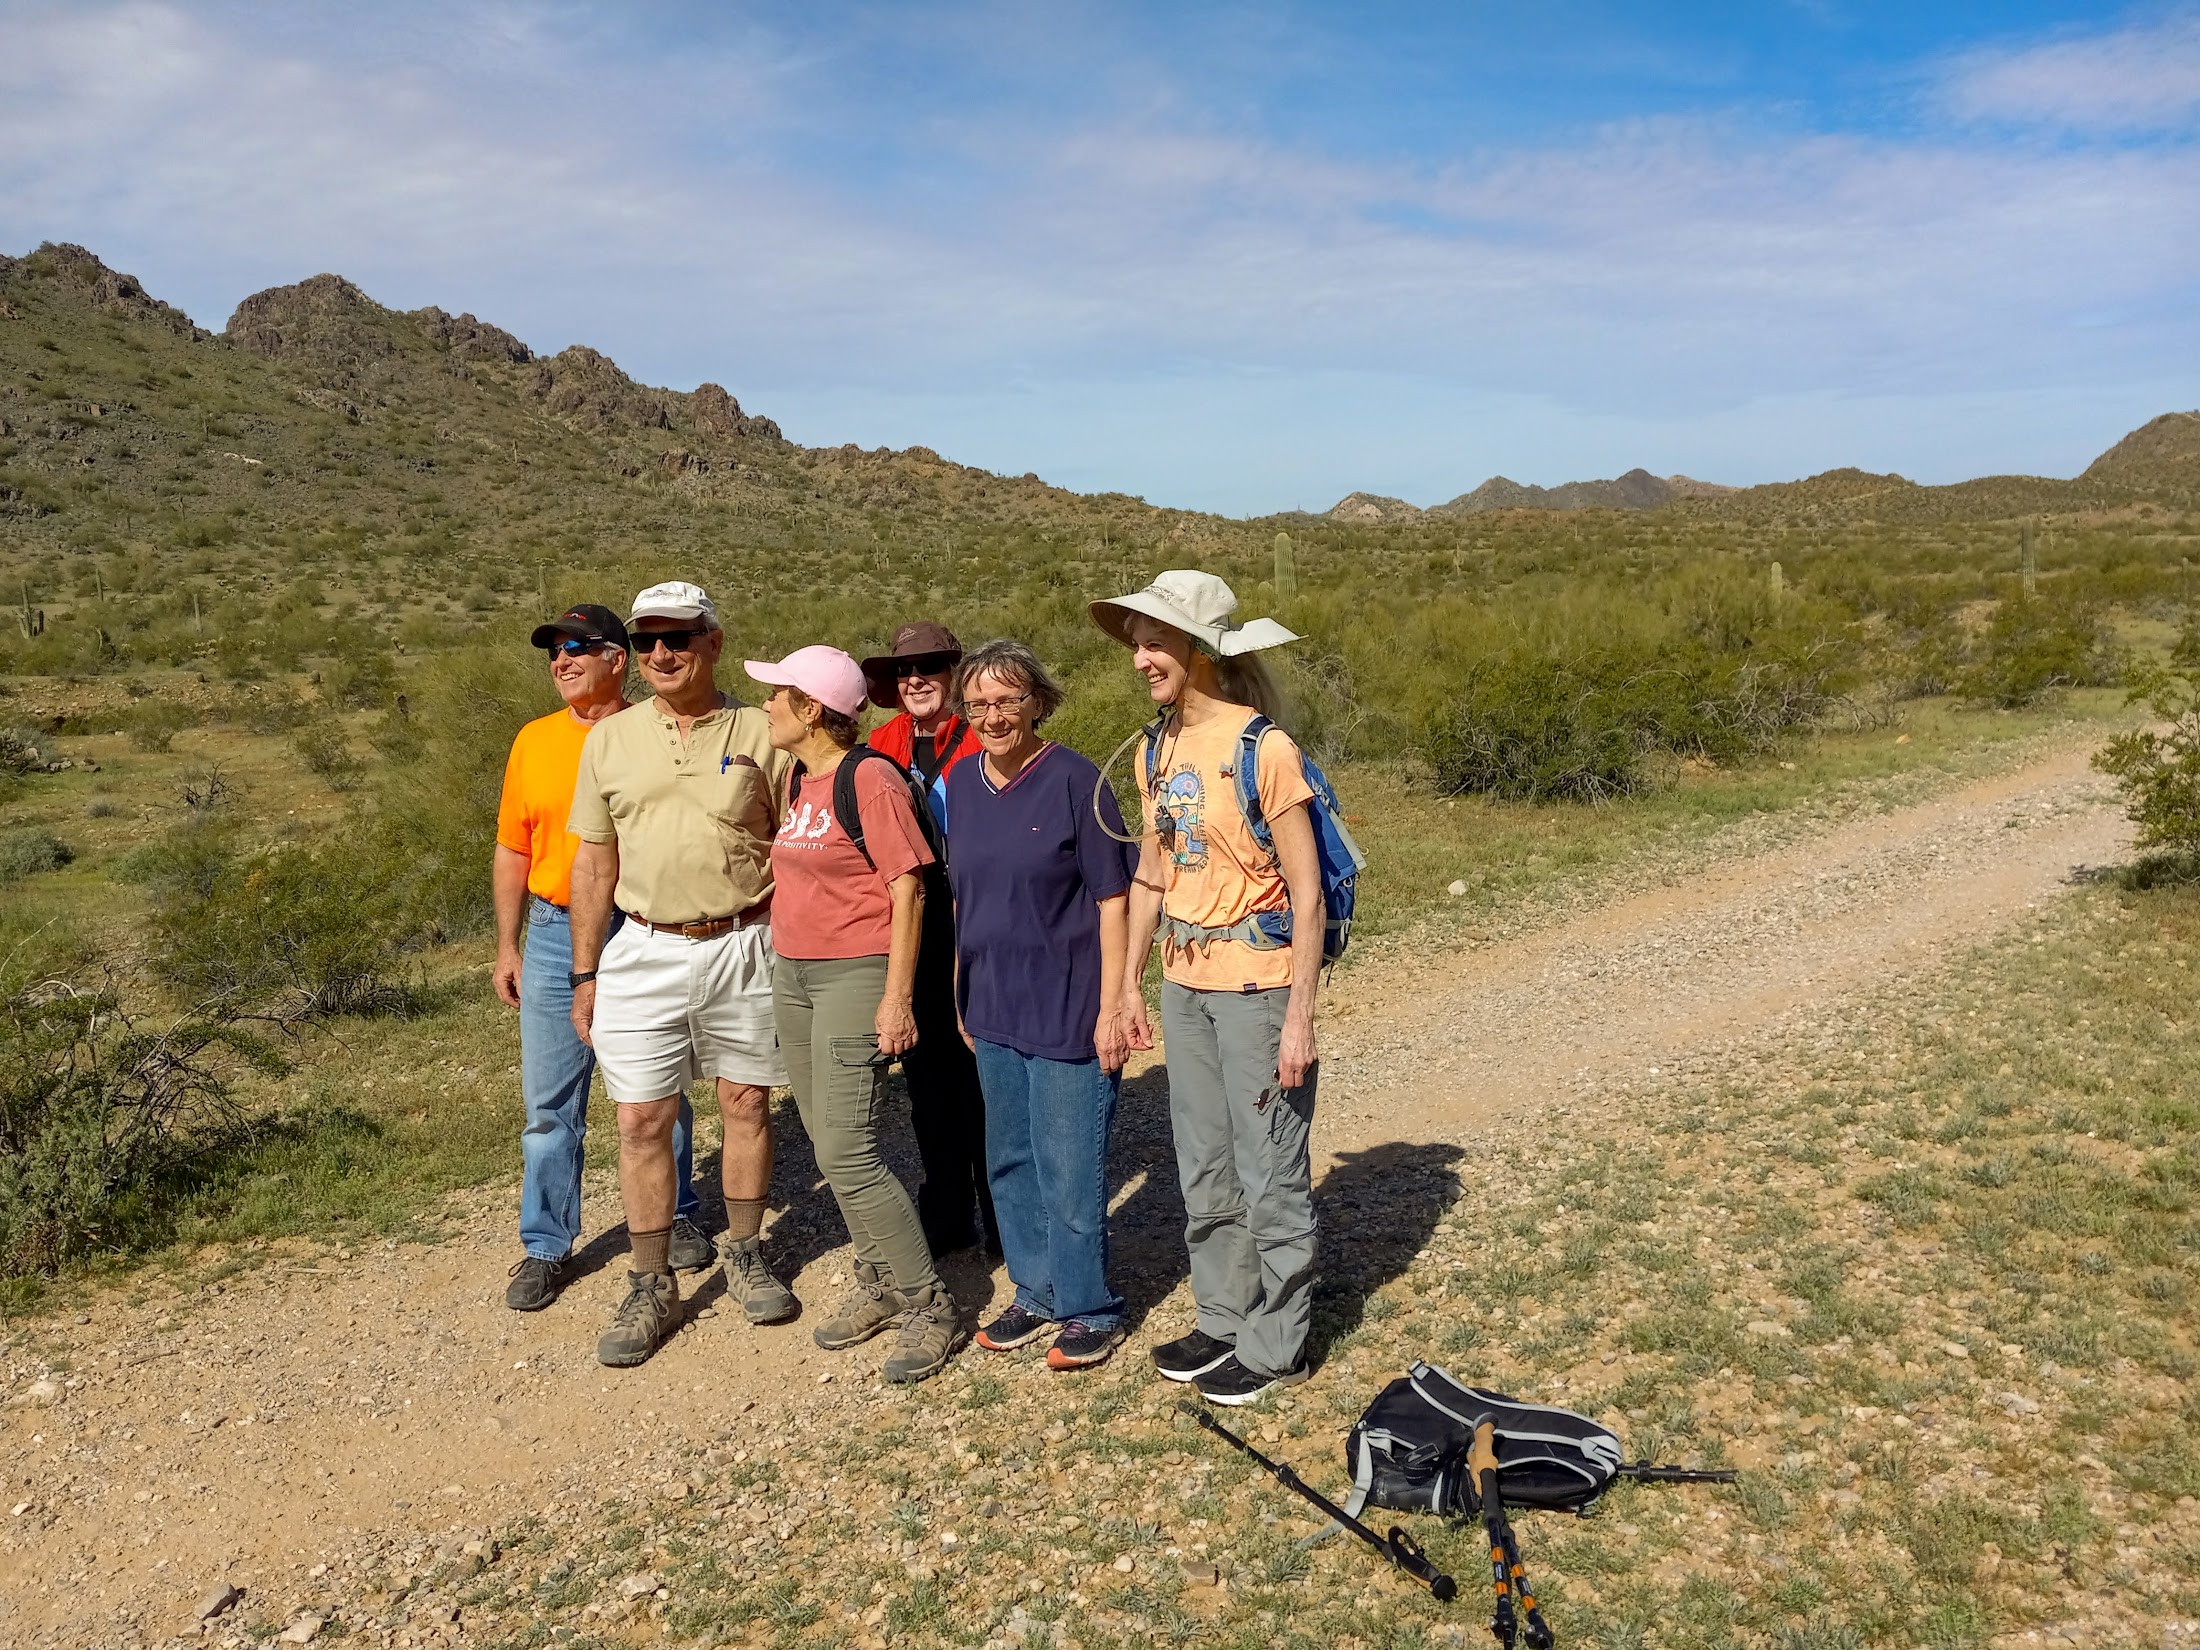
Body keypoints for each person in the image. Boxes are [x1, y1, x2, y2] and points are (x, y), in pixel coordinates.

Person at [1094, 570, 1327, 1406]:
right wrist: (1125, 985)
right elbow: (1155, 875)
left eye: (1156, 641)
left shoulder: (1261, 746)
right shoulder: (1157, 748)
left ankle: (1276, 1344)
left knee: (1270, 1167)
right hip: (1185, 984)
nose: (1141, 658)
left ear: (1200, 648)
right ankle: (1225, 1316)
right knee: (1204, 1161)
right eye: (1138, 642)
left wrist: (1299, 1017)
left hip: (1258, 985)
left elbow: (1308, 891)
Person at [566, 581, 799, 1368]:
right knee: (640, 1119)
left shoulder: (763, 731)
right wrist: (585, 973)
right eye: (646, 641)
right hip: (644, 946)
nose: (661, 654)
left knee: (745, 1102)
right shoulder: (610, 738)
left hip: (745, 940)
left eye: (679, 637)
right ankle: (650, 1279)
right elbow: (594, 862)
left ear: (713, 643)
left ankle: (742, 1248)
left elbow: (800, 844)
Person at [749, 643, 965, 1384]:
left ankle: (928, 1304)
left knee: (849, 1150)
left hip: (854, 975)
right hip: (797, 975)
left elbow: (910, 888)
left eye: (779, 694)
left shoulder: (868, 779)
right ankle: (877, 1277)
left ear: (812, 708)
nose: (768, 705)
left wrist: (897, 997)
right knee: (824, 1138)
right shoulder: (797, 779)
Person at [493, 604, 711, 1310]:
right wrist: (507, 943)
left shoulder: (653, 731)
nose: (561, 662)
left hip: (642, 923)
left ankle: (674, 1215)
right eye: (554, 652)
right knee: (550, 1104)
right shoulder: (532, 741)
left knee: (660, 1085)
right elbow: (513, 846)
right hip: (557, 930)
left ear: (619, 659)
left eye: (577, 648)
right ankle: (545, 1245)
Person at [945, 639, 1136, 1370]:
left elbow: (1112, 898)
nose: (993, 715)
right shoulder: (961, 783)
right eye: (979, 703)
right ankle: (1036, 1290)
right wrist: (960, 988)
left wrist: (1114, 1004)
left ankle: (1090, 1306)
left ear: (1037, 703)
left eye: (1007, 700)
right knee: (1010, 1159)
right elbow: (966, 894)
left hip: (1066, 1001)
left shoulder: (1074, 780)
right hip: (991, 999)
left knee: (1069, 1163)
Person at [860, 621, 994, 1256]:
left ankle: (1005, 1219)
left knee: (985, 1076)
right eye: (904, 669)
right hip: (912, 923)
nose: (916, 679)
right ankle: (946, 1212)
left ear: (954, 672)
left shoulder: (985, 734)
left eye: (931, 666)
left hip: (981, 919)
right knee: (928, 1080)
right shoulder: (879, 745)